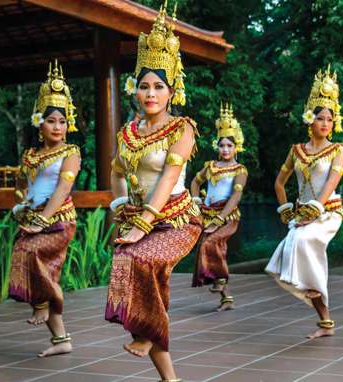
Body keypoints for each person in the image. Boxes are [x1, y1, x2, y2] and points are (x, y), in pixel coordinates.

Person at [105, 4, 201, 382]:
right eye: (144, 85)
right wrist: (118, 206)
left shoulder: (183, 128)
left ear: (172, 90)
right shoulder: (128, 134)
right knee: (129, 261)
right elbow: (116, 172)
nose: (150, 92)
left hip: (178, 220)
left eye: (158, 86)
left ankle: (146, 334)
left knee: (141, 260)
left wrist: (143, 221)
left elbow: (166, 178)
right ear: (135, 88)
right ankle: (169, 376)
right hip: (142, 219)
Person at [265, 66, 343, 339]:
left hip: (328, 212)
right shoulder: (296, 151)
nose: (325, 123)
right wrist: (285, 209)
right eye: (320, 118)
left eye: (329, 119)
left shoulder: (339, 151)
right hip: (302, 214)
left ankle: (313, 287)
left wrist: (314, 211)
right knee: (290, 249)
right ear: (309, 119)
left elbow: (329, 186)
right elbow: (279, 183)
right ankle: (324, 319)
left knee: (303, 242)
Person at [8, 61, 80, 357]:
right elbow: (27, 188)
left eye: (62, 122)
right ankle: (61, 340)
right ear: (40, 122)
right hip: (34, 219)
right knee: (27, 261)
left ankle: (41, 304)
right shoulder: (30, 155)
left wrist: (42, 219)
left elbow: (63, 189)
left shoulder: (71, 152)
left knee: (33, 255)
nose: (58, 127)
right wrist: (22, 206)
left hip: (59, 220)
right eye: (51, 121)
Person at [190, 103, 248, 311]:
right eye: (222, 145)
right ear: (217, 146)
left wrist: (220, 219)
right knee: (211, 247)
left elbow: (236, 195)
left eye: (229, 146)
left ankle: (220, 278)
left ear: (236, 147)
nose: (225, 149)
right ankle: (226, 297)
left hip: (228, 215)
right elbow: (195, 183)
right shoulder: (210, 166)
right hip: (207, 213)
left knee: (212, 243)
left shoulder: (240, 169)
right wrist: (196, 201)